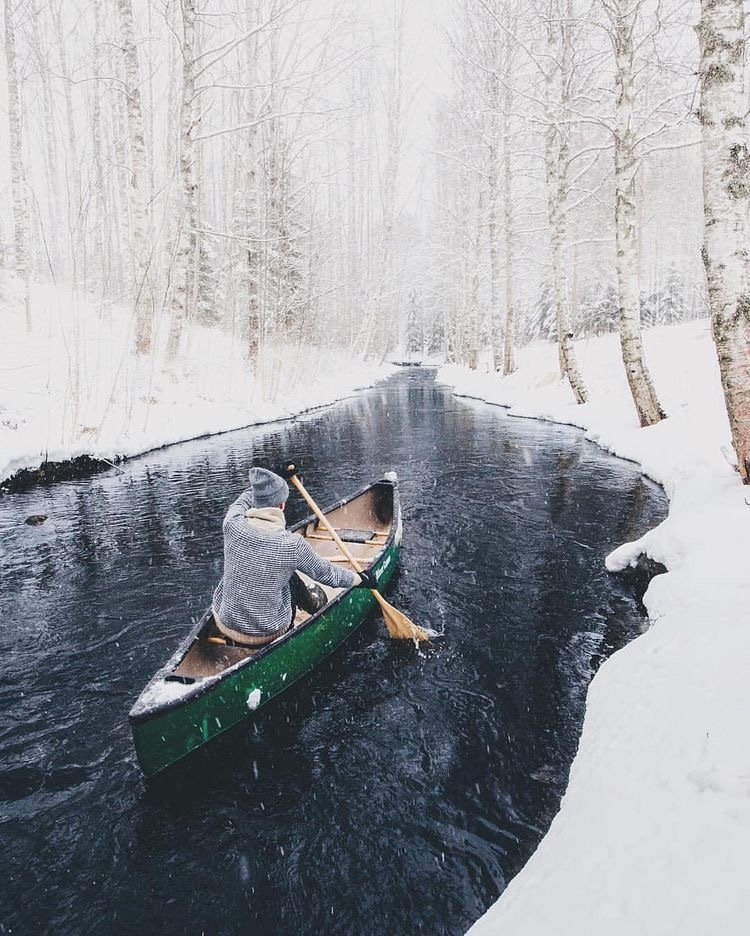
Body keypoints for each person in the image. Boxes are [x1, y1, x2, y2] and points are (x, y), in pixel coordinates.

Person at [212, 467, 375, 646]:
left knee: (245, 562)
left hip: (225, 622)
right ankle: (315, 603)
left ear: (255, 501)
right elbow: (326, 574)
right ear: (281, 506)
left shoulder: (232, 522)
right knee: (290, 577)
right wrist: (359, 579)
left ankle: (238, 623)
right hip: (266, 631)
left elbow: (242, 500)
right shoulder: (291, 545)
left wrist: (266, 483)